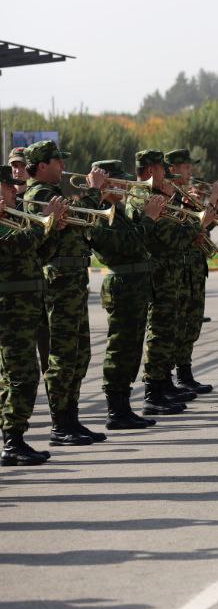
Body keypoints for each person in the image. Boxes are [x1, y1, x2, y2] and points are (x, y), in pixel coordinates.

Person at [24, 141, 109, 446]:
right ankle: (61, 423)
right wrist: (95, 189)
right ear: (42, 165)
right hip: (58, 282)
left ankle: (71, 418)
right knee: (62, 355)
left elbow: (87, 222)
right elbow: (95, 216)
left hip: (71, 281)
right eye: (57, 161)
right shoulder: (40, 196)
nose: (62, 166)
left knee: (78, 353)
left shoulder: (53, 194)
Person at [88, 160, 168, 429]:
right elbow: (129, 244)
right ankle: (116, 410)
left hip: (133, 284)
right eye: (119, 182)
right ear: (106, 184)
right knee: (120, 348)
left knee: (132, 348)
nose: (126, 186)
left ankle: (123, 406)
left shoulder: (118, 209)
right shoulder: (99, 212)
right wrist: (149, 219)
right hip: (121, 284)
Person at [0, 165, 64, 465]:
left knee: (16, 377)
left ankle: (13, 439)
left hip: (27, 308)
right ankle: (12, 440)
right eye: (8, 186)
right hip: (10, 311)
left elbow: (39, 253)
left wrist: (53, 229)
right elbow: (16, 245)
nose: (15, 190)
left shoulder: (13, 218)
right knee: (22, 377)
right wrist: (43, 224)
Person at [131, 149, 196, 416]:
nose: (165, 174)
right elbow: (173, 237)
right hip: (157, 275)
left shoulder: (156, 197)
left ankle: (163, 384)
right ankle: (153, 392)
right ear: (148, 171)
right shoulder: (141, 198)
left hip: (167, 273)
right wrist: (199, 223)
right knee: (159, 333)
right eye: (160, 169)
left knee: (167, 331)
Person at [166, 148, 218, 394]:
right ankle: (172, 376)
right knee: (179, 325)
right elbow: (180, 232)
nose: (191, 171)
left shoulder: (187, 194)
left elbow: (206, 229)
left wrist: (210, 205)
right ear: (173, 169)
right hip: (180, 270)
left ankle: (185, 373)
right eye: (186, 167)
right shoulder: (169, 197)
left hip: (196, 269)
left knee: (192, 324)